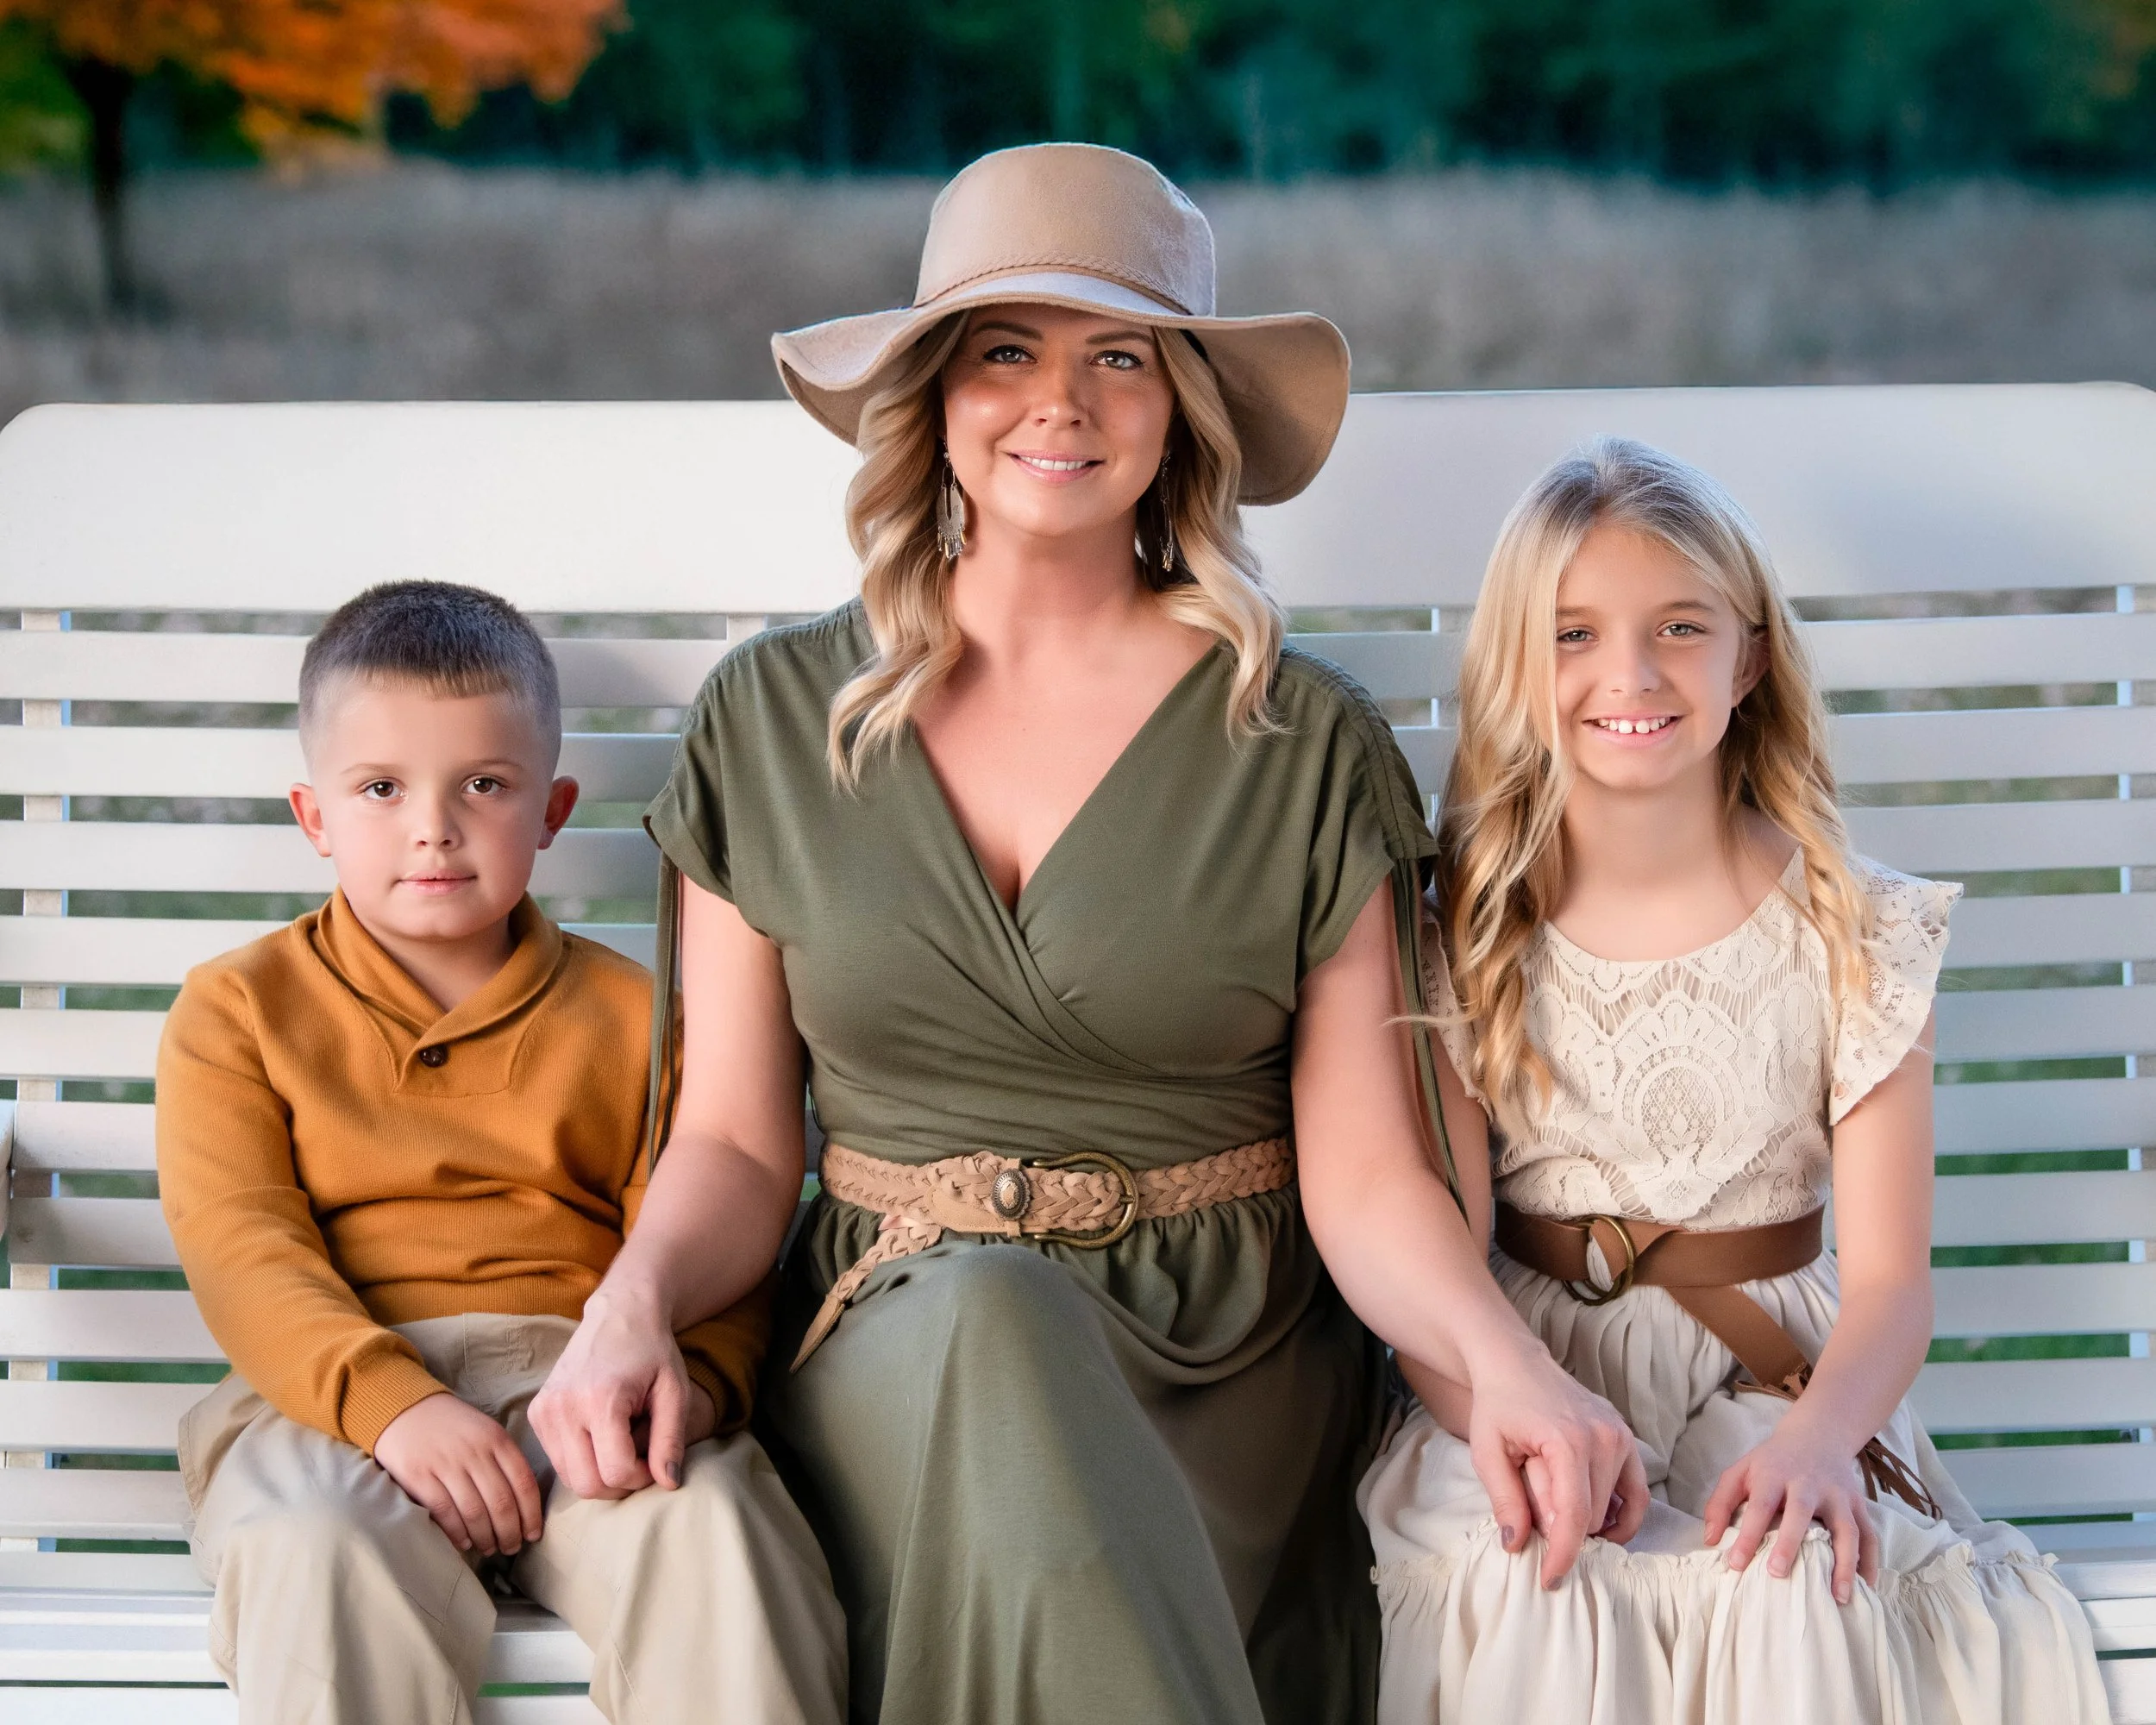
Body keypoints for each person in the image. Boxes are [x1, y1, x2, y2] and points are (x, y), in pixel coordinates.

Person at [528, 141, 1642, 1725]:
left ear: (1181, 407)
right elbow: (731, 1142)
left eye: (1119, 357)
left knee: (1029, 1391)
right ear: (932, 399)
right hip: (900, 1336)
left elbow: (1368, 1172)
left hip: (1234, 1366)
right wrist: (631, 1304)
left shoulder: (1303, 744)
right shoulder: (772, 721)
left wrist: (1507, 1364)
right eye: (1005, 352)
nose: (1060, 403)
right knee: (995, 1323)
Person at [1359, 438, 2109, 1722]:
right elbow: (1444, 1267)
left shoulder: (1851, 928)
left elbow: (1893, 1287)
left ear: (1750, 658)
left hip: (1777, 1380)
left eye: (1680, 627)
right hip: (1524, 1368)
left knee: (1784, 1575)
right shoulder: (1465, 929)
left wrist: (1821, 1443)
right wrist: (1496, 1408)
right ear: (1519, 664)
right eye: (1575, 634)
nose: (1631, 674)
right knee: (1538, 1572)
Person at [158, 580, 846, 1725]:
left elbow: (715, 1249)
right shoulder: (238, 1012)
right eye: (381, 789)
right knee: (314, 1552)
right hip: (325, 1398)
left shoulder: (640, 1023)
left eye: (484, 785)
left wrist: (691, 1391)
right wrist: (391, 1407)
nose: (433, 827)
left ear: (552, 809)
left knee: (720, 1541)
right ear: (315, 816)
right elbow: (242, 1251)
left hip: (585, 1384)